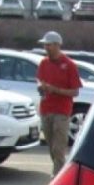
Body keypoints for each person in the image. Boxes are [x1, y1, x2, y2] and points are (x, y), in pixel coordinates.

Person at [36, 31, 81, 175]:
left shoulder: (69, 65)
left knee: (58, 148)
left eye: (48, 45)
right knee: (51, 147)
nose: (46, 48)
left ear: (57, 45)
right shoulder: (44, 63)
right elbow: (39, 80)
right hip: (46, 109)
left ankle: (57, 177)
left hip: (61, 111)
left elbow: (75, 91)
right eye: (45, 45)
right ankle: (60, 173)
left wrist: (55, 90)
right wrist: (41, 87)